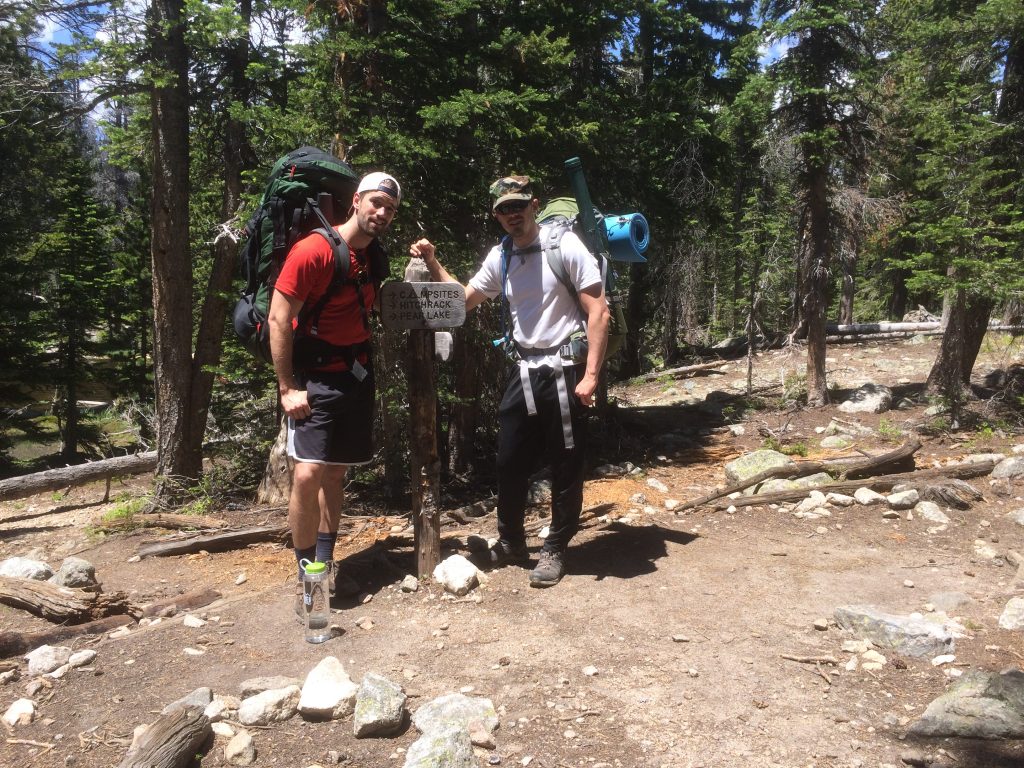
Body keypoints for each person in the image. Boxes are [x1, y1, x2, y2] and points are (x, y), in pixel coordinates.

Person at [411, 174, 610, 587]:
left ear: (534, 205)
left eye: (518, 205)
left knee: (565, 463)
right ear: (495, 214)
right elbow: (463, 302)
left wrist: (591, 375)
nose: (511, 214)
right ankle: (513, 542)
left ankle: (555, 548)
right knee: (509, 461)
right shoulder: (501, 255)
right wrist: (432, 262)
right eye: (503, 208)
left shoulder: (564, 246)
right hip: (525, 370)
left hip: (565, 371)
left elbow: (598, 311)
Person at [268, 171, 401, 606]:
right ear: (356, 201)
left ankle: (325, 561)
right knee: (307, 474)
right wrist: (287, 387)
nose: (382, 213)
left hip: (357, 374)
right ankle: (308, 576)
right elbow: (278, 317)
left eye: (391, 208)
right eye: (376, 203)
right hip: (315, 378)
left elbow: (385, 306)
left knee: (336, 472)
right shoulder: (313, 251)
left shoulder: (373, 257)